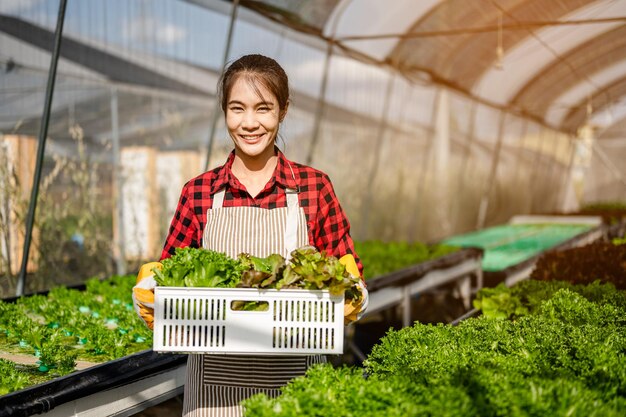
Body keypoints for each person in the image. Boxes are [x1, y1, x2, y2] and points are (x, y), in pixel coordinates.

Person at [136, 54, 367, 417]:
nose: (249, 123)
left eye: (263, 109)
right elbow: (168, 274)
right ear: (224, 111)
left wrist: (352, 293)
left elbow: (348, 270)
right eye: (236, 108)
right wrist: (152, 294)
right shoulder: (199, 192)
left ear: (283, 110)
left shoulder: (313, 187)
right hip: (213, 394)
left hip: (298, 390)